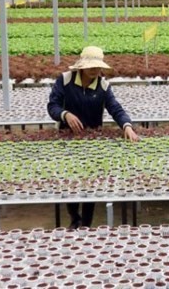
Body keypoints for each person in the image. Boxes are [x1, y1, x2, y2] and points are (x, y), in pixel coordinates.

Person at [47, 46, 139, 228]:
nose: (96, 71)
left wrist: (127, 126)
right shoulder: (65, 81)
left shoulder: (103, 86)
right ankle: (75, 218)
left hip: (93, 140)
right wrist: (65, 114)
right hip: (68, 139)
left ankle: (86, 224)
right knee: (71, 179)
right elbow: (52, 106)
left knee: (90, 181)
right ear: (81, 66)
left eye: (98, 67)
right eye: (92, 67)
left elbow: (115, 108)